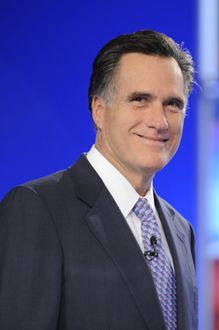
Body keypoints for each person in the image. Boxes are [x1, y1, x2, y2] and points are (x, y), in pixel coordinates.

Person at [0, 30, 197, 330]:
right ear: (99, 111)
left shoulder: (182, 230)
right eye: (140, 99)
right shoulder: (38, 209)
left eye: (173, 104)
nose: (160, 121)